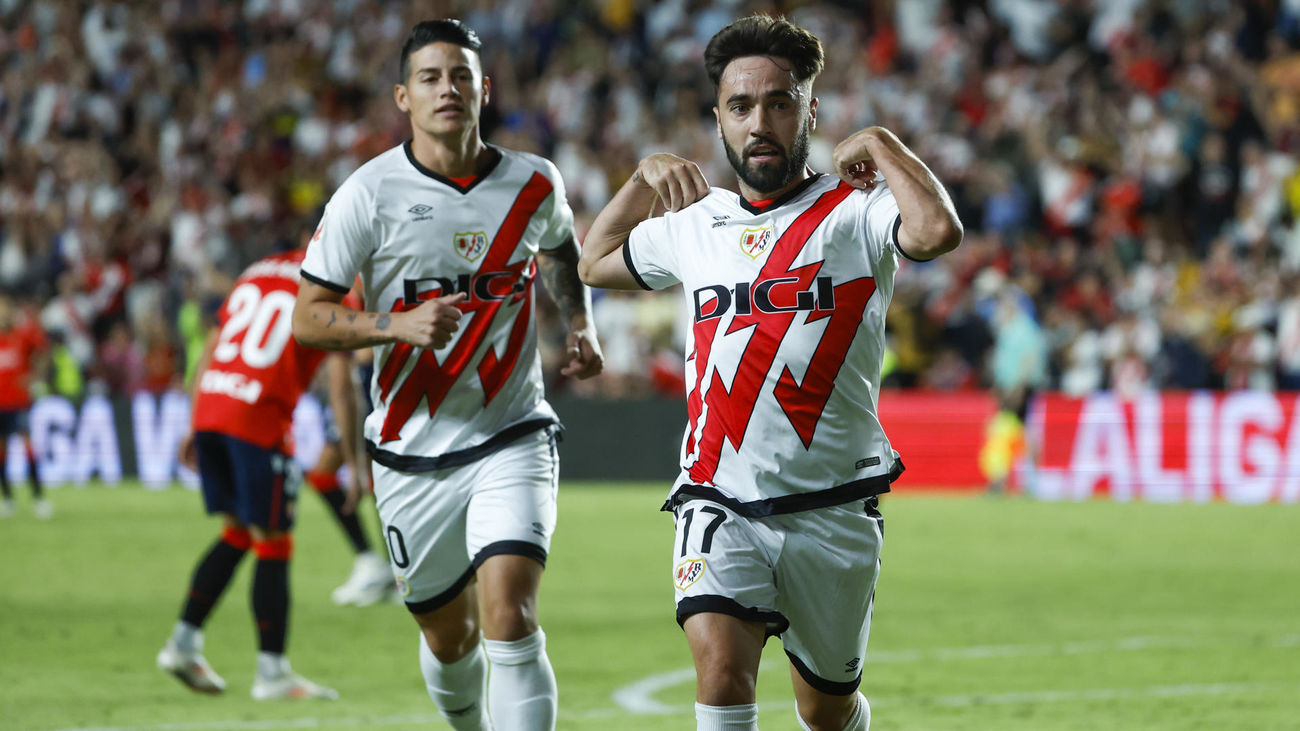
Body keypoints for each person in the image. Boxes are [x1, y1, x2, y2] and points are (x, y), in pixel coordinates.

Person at [578, 15, 962, 731]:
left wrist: (882, 142)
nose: (760, 123)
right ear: (719, 118)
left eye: (780, 103)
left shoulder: (856, 209)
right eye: (740, 106)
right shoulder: (697, 221)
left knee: (826, 710)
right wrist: (639, 181)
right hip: (717, 496)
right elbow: (592, 260)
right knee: (722, 678)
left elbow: (938, 232)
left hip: (834, 509)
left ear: (810, 111)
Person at [291, 19, 602, 731]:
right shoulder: (367, 194)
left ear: (484, 88)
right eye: (430, 78)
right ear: (404, 96)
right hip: (409, 448)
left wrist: (578, 324)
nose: (447, 89)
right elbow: (307, 318)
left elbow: (560, 253)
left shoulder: (534, 181)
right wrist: (391, 325)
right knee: (449, 639)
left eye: (460, 75)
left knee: (511, 616)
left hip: (513, 431)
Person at [156, 245, 362, 700]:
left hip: (213, 403)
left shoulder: (257, 266)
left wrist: (196, 420)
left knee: (239, 533)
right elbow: (342, 387)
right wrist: (354, 459)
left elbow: (214, 343)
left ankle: (183, 644)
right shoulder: (336, 285)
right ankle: (272, 673)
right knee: (274, 540)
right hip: (257, 417)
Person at [305, 351, 394, 607]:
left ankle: (382, 565)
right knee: (370, 483)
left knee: (367, 481)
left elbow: (361, 355)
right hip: (366, 390)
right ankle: (390, 567)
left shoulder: (343, 325)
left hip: (367, 395)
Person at [0, 291, 51, 519]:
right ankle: (7, 499)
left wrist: (36, 377)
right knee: (1, 455)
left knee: (29, 450)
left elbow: (44, 351)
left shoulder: (23, 335)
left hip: (19, 403)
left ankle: (39, 498)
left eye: (4, 309)